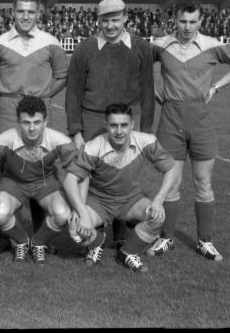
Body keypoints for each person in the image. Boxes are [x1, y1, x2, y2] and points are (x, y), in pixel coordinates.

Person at [147, 0, 230, 261]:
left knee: (204, 183)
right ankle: (167, 238)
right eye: (183, 21)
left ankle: (205, 241)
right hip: (170, 118)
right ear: (175, 20)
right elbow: (139, 67)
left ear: (200, 21)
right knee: (171, 182)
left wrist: (216, 88)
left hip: (201, 119)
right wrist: (155, 90)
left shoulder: (212, 45)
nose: (187, 27)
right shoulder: (160, 45)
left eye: (193, 22)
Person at [0, 0, 69, 252]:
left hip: (38, 108)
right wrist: (6, 94)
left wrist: (44, 94)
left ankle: (42, 232)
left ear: (38, 13)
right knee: (7, 163)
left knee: (41, 163)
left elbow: (62, 76)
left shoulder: (51, 42)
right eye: (21, 11)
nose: (26, 16)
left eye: (31, 12)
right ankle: (4, 234)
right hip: (8, 108)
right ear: (13, 12)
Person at [65, 0, 155, 249]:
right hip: (93, 118)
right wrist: (76, 130)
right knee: (92, 176)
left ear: (125, 18)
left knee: (123, 172)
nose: (111, 26)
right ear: (99, 21)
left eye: (115, 20)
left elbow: (148, 91)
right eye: (105, 20)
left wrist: (145, 134)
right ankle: (96, 230)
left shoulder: (140, 47)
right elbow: (73, 91)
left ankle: (121, 230)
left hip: (127, 122)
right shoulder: (85, 49)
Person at [61, 103, 179, 273]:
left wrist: (159, 201)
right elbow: (70, 180)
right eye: (113, 125)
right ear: (106, 125)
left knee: (157, 217)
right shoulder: (93, 146)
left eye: (124, 125)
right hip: (99, 202)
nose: (119, 131)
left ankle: (128, 252)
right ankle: (97, 241)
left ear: (131, 124)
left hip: (130, 201)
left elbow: (171, 169)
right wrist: (83, 214)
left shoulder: (146, 141)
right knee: (75, 228)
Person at [0, 96, 77, 264]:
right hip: (14, 183)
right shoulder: (6, 139)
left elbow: (79, 170)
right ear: (18, 122)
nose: (32, 128)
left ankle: (38, 243)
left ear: (46, 121)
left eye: (37, 122)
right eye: (26, 123)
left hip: (45, 183)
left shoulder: (59, 140)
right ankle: (21, 241)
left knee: (63, 214)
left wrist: (79, 207)